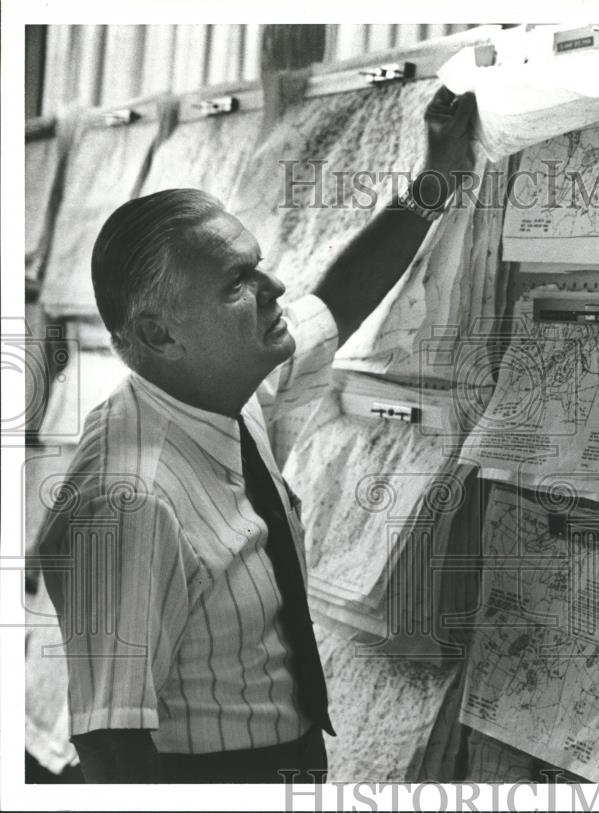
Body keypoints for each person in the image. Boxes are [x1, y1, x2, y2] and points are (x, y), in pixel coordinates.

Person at [37, 86, 476, 783]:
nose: (273, 284)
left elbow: (336, 301)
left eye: (258, 261)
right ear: (157, 332)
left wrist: (436, 182)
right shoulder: (129, 501)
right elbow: (111, 749)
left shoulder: (221, 387)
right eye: (238, 280)